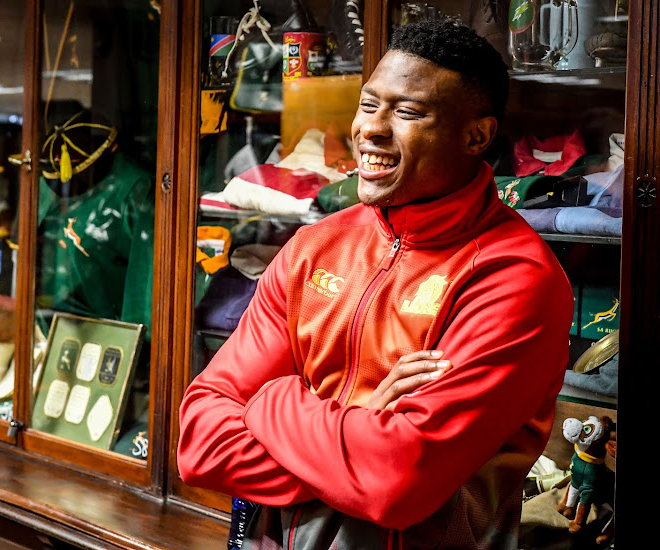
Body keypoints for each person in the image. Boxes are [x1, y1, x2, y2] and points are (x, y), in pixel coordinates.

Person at [178, 19, 573, 550]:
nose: (372, 129)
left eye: (407, 112)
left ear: (476, 136)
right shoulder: (313, 246)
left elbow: (395, 483)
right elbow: (200, 441)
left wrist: (271, 399)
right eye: (369, 104)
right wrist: (363, 426)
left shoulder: (513, 280)